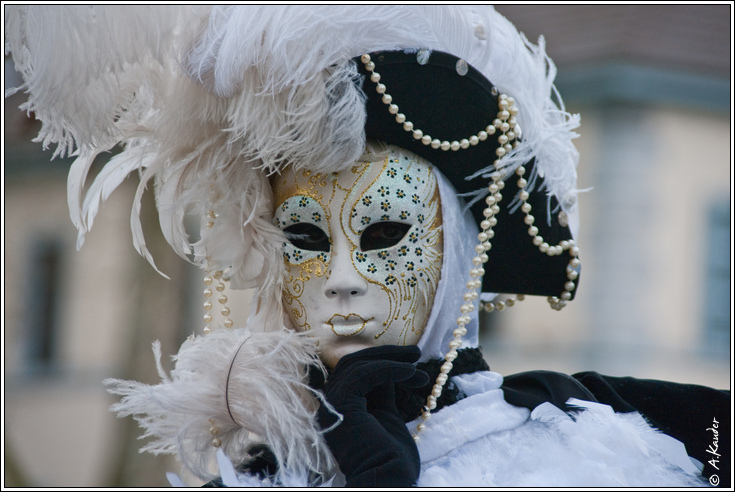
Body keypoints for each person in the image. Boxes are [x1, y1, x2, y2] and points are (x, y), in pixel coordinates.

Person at [5, 5, 728, 487]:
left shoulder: (583, 456)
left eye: (385, 234)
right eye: (305, 238)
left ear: (457, 255)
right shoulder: (257, 474)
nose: (340, 282)